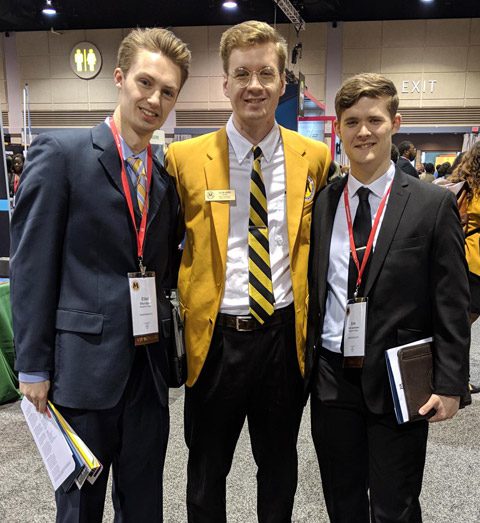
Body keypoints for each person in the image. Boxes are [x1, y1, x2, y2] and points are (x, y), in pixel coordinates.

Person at [10, 28, 190, 523]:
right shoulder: (61, 155)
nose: (155, 99)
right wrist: (33, 366)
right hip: (80, 373)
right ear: (119, 78)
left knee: (143, 505)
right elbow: (30, 266)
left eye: (168, 91)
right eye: (146, 83)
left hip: (148, 373)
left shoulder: (163, 175)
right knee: (80, 507)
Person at [165, 20, 331, 523]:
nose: (253, 85)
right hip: (216, 340)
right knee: (205, 473)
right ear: (225, 84)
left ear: (283, 82)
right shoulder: (184, 159)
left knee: (279, 470)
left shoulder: (316, 158)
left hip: (283, 337)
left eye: (265, 73)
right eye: (242, 74)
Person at [306, 73, 470, 523]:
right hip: (332, 379)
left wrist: (451, 383)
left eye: (374, 120)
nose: (364, 131)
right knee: (341, 500)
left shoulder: (430, 204)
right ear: (337, 128)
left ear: (395, 123)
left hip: (400, 378)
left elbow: (451, 299)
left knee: (395, 505)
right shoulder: (324, 203)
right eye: (352, 121)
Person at [449, 142, 480, 394]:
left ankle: (462, 377)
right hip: (473, 262)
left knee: (463, 323)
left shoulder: (464, 185)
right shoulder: (472, 189)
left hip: (469, 260)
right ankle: (460, 378)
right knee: (464, 322)